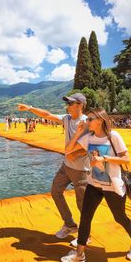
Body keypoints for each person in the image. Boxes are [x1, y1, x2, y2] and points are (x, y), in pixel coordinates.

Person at [18, 93, 90, 244]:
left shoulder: (86, 122)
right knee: (56, 191)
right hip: (66, 166)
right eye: (68, 103)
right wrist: (30, 108)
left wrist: (73, 154)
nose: (67, 106)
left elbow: (89, 146)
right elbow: (48, 115)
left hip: (81, 169)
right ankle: (69, 224)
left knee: (82, 203)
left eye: (71, 103)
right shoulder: (67, 118)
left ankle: (85, 235)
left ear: (80, 105)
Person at [61, 107, 131, 262]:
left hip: (112, 186)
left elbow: (126, 159)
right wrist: (79, 132)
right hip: (93, 184)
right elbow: (68, 150)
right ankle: (79, 255)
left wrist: (104, 158)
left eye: (90, 119)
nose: (87, 121)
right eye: (87, 119)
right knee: (85, 217)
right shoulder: (89, 137)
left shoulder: (113, 136)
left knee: (120, 218)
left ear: (100, 120)